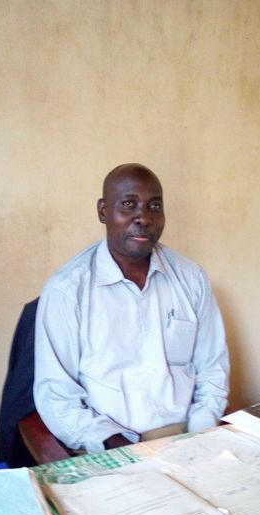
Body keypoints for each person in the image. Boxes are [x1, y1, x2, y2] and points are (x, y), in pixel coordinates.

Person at [33, 163, 230, 453]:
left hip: (185, 437)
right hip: (107, 444)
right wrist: (120, 449)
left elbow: (212, 369)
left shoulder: (191, 279)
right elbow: (56, 395)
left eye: (154, 206)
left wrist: (201, 436)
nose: (144, 218)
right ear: (103, 211)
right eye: (129, 204)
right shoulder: (67, 290)